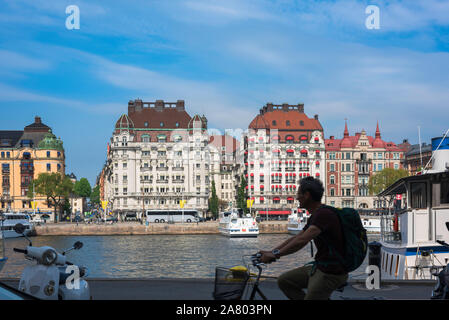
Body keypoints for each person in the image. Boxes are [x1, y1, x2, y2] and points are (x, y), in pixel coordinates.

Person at [258, 177, 348, 300]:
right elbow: (297, 237)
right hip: (320, 266)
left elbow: (301, 241)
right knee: (284, 281)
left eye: (299, 194)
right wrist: (272, 252)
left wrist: (275, 254)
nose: (296, 198)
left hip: (331, 271)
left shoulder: (324, 215)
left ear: (307, 195)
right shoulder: (316, 215)